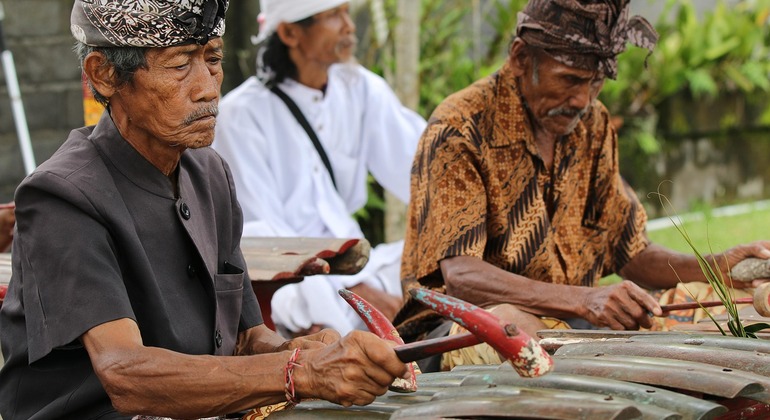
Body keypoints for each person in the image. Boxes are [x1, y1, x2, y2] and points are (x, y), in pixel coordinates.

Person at [0, 1, 407, 418]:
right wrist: (298, 371)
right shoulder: (60, 196)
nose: (208, 88)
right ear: (103, 75)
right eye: (179, 65)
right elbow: (124, 374)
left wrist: (305, 350)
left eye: (212, 58)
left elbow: (248, 340)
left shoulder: (209, 172)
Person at [393, 0, 770, 371]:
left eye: (596, 82)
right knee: (514, 324)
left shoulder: (592, 123)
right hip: (454, 332)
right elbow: (462, 277)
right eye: (570, 80)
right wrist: (585, 300)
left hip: (575, 324)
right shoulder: (461, 127)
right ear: (521, 58)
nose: (582, 99)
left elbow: (631, 254)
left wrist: (717, 268)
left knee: (736, 304)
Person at [213, 0, 427, 336]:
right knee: (296, 299)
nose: (349, 26)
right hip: (293, 282)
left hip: (357, 263)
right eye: (333, 16)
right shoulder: (241, 116)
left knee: (440, 263)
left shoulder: (361, 90)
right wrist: (357, 289)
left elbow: (423, 170)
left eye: (346, 13)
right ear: (290, 32)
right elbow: (265, 241)